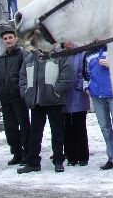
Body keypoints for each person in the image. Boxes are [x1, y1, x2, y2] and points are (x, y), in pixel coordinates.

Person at [18, 46, 73, 174]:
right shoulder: (30, 58)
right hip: (36, 101)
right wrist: (26, 93)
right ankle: (33, 162)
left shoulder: (59, 56)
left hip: (53, 101)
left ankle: (58, 160)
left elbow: (67, 75)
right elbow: (22, 77)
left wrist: (56, 92)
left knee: (57, 132)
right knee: (35, 134)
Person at [0, 28, 31, 166]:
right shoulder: (0, 60)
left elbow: (27, 75)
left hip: (19, 98)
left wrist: (23, 92)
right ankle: (16, 153)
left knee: (24, 126)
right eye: (5, 38)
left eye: (10, 37)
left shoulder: (23, 55)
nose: (8, 40)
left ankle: (28, 153)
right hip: (5, 98)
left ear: (15, 39)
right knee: (10, 128)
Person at [83, 45, 113, 170]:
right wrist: (87, 87)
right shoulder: (88, 53)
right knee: (105, 128)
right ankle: (112, 157)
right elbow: (85, 74)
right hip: (97, 95)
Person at [63, 44, 90, 167]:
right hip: (64, 95)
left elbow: (83, 72)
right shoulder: (61, 54)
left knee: (80, 126)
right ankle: (70, 156)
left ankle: (83, 156)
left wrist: (78, 85)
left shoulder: (81, 54)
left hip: (78, 94)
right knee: (67, 127)